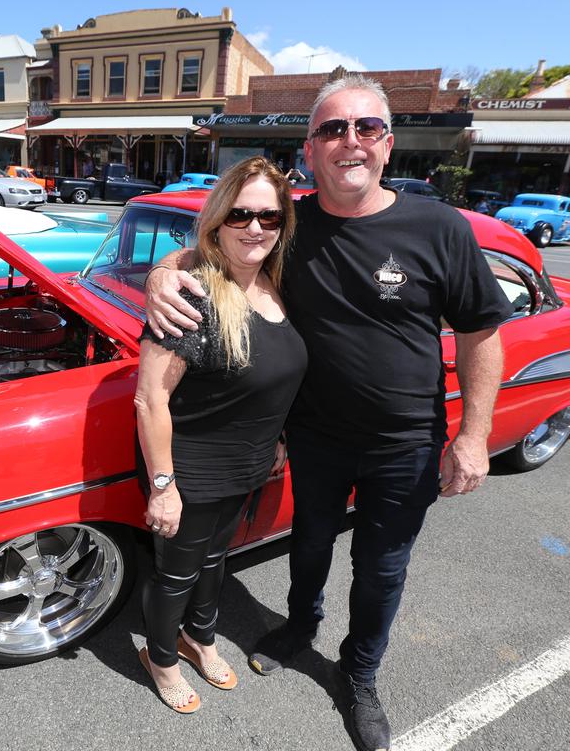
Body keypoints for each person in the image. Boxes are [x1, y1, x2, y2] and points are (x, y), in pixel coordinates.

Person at [144, 76, 510, 749]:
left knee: (381, 568)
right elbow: (219, 246)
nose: (351, 141)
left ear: (388, 143)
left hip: (405, 442)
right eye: (333, 129)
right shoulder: (290, 224)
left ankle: (360, 674)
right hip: (314, 437)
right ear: (309, 149)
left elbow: (482, 333)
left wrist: (474, 435)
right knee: (308, 546)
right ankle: (299, 625)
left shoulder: (438, 226)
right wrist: (164, 272)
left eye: (366, 127)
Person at [135, 156, 306, 713]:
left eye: (269, 217)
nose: (255, 227)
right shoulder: (192, 294)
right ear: (216, 220)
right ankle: (160, 658)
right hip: (190, 469)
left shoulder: (279, 287)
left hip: (247, 465)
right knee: (176, 574)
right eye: (240, 214)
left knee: (216, 562)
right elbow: (150, 398)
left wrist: (276, 439)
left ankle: (199, 639)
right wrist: (163, 486)